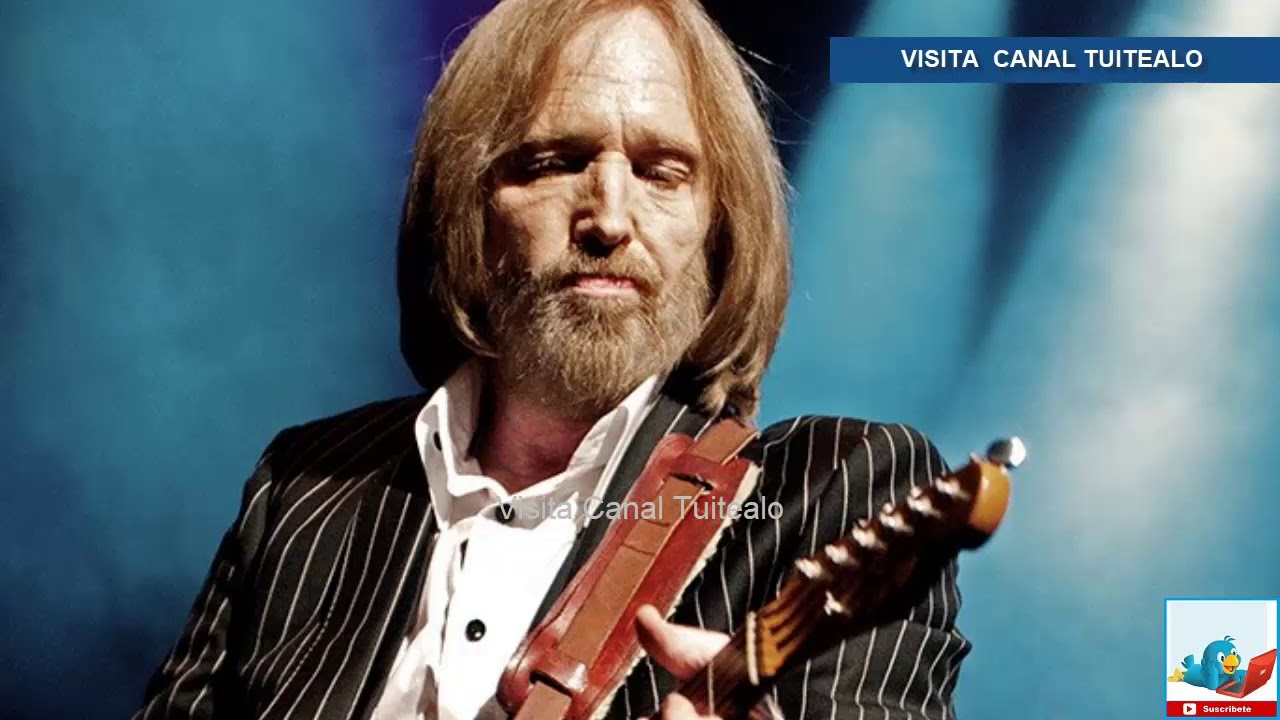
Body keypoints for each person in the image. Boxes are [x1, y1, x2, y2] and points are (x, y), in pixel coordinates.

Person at [132, 0, 968, 718]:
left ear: (720, 231)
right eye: (556, 163)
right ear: (467, 208)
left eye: (661, 173)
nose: (609, 218)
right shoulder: (306, 488)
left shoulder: (840, 491)